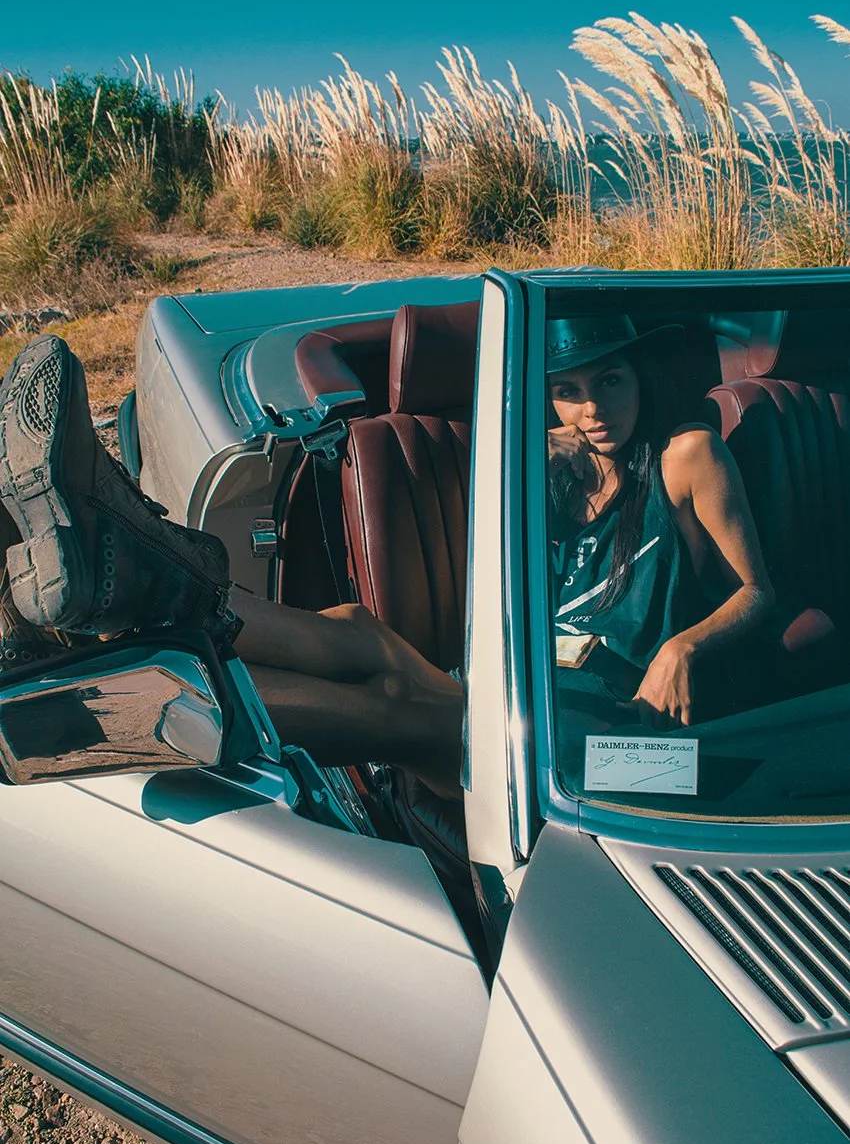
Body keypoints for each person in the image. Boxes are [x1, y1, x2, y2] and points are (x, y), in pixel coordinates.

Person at [0, 335, 464, 800]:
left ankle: (124, 596)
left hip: (521, 794)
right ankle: (131, 587)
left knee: (420, 720)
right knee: (365, 634)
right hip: (510, 706)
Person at [545, 314, 775, 742]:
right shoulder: (543, 475)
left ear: (639, 378)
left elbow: (755, 591)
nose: (593, 408)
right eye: (568, 392)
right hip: (534, 688)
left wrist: (682, 648)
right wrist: (534, 464)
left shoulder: (685, 456)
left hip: (617, 706)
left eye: (610, 381)